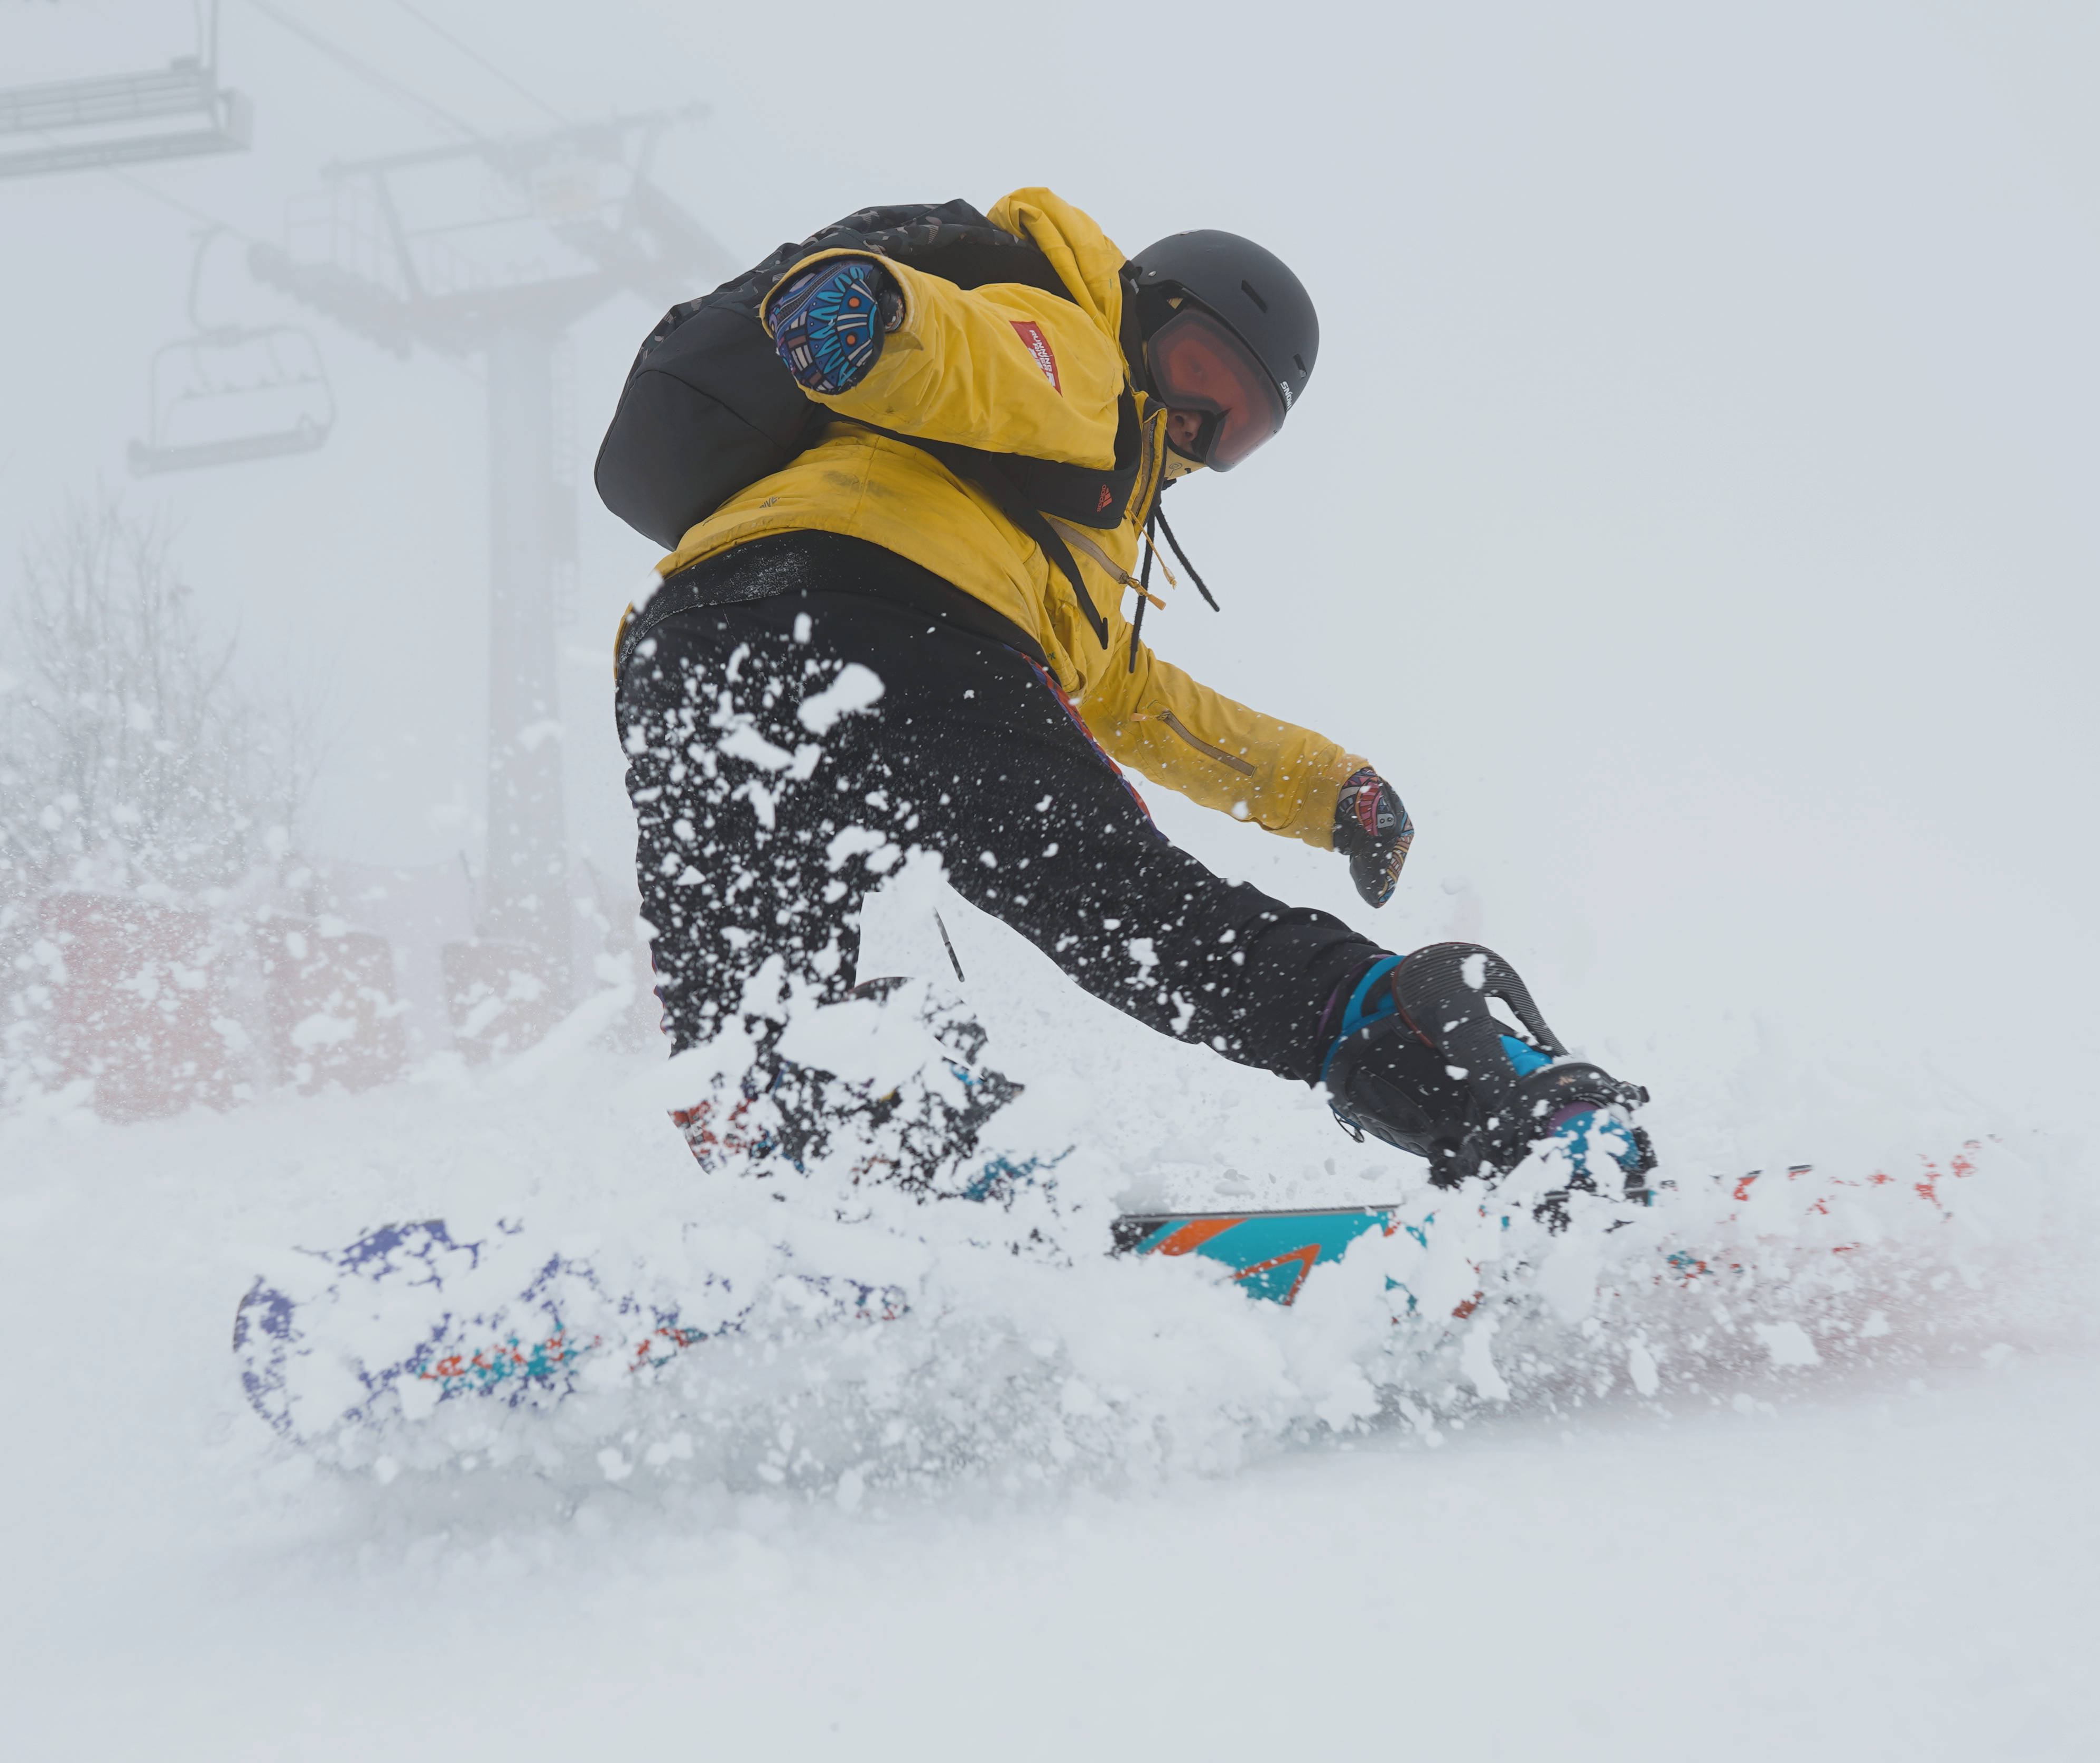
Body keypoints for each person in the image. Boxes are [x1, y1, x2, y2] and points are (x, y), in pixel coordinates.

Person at [609, 188, 1648, 1200]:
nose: (1195, 423)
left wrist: (1328, 789)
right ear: (1147, 311)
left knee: (745, 1026)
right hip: (887, 617)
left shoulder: (1058, 538)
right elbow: (975, 360)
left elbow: (1138, 701)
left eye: (1234, 427)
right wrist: (876, 314)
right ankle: (1437, 1052)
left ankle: (851, 1184)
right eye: (1199, 373)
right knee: (1133, 918)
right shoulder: (1077, 356)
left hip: (693, 658)